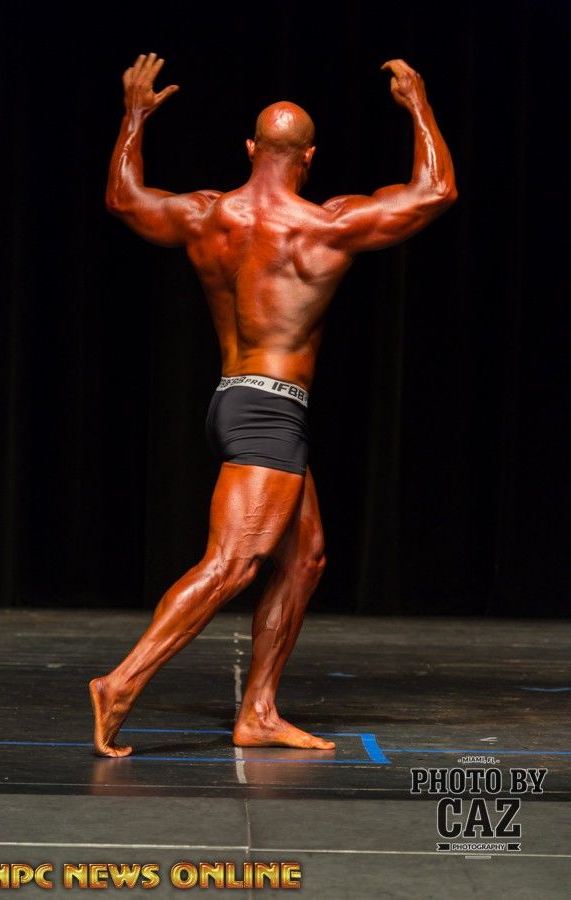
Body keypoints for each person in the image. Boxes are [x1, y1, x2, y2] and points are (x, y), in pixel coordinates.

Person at [90, 52, 457, 757]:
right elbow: (435, 190)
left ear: (250, 148)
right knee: (232, 564)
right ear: (310, 157)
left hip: (235, 399)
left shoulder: (205, 215)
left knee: (305, 558)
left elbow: (124, 199)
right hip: (269, 412)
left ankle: (258, 710)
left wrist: (134, 115)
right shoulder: (327, 225)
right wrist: (417, 103)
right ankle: (121, 682)